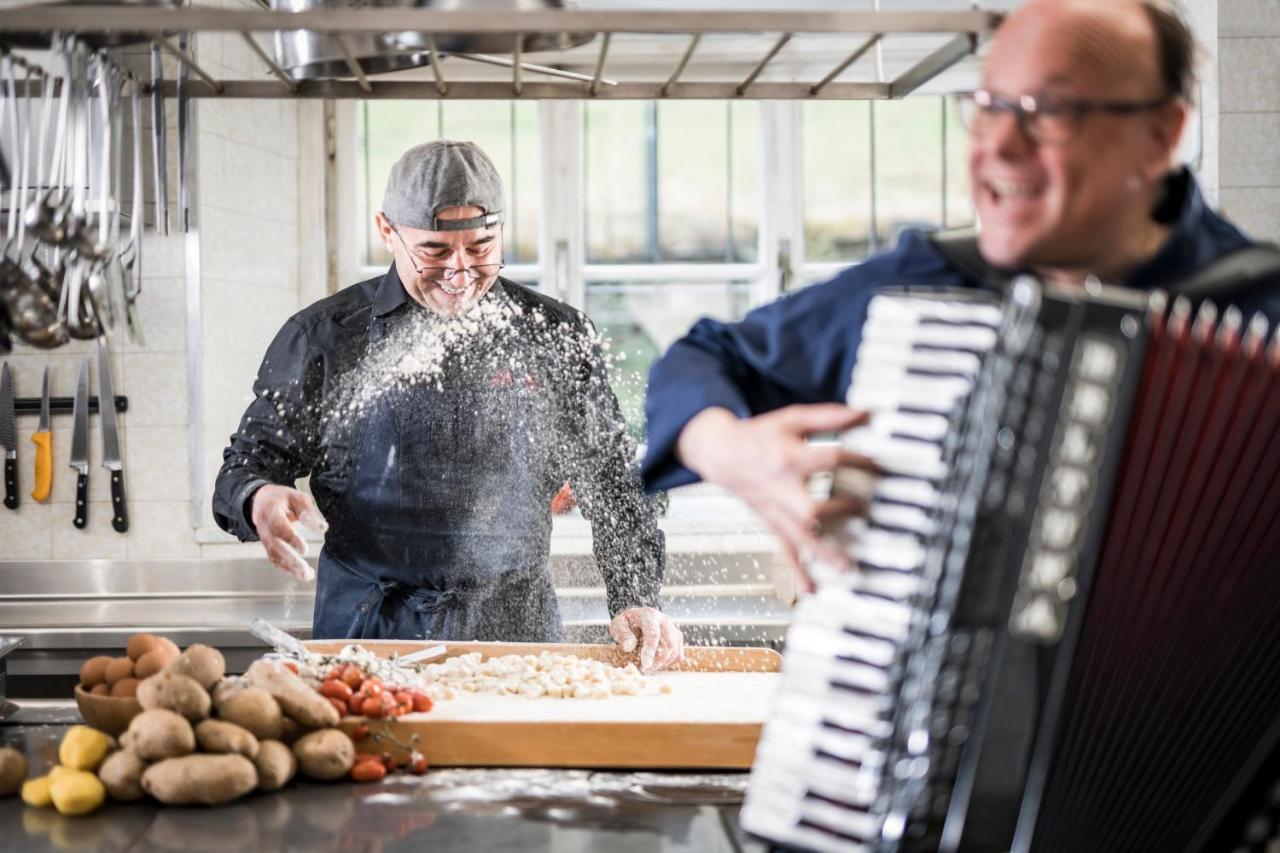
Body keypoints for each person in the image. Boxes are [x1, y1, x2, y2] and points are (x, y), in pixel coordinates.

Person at [641, 0, 1280, 587]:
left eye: (1050, 111)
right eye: (989, 104)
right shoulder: (926, 288)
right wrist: (731, 451)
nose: (998, 146)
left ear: (1161, 136)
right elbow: (705, 358)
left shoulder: (1259, 314)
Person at [215, 140, 683, 672]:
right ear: (387, 231)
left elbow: (615, 482)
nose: (459, 272)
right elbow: (247, 466)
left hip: (516, 637)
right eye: (435, 251)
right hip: (367, 638)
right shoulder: (323, 338)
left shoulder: (556, 335)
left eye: (481, 247)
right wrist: (258, 497)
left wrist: (636, 595)